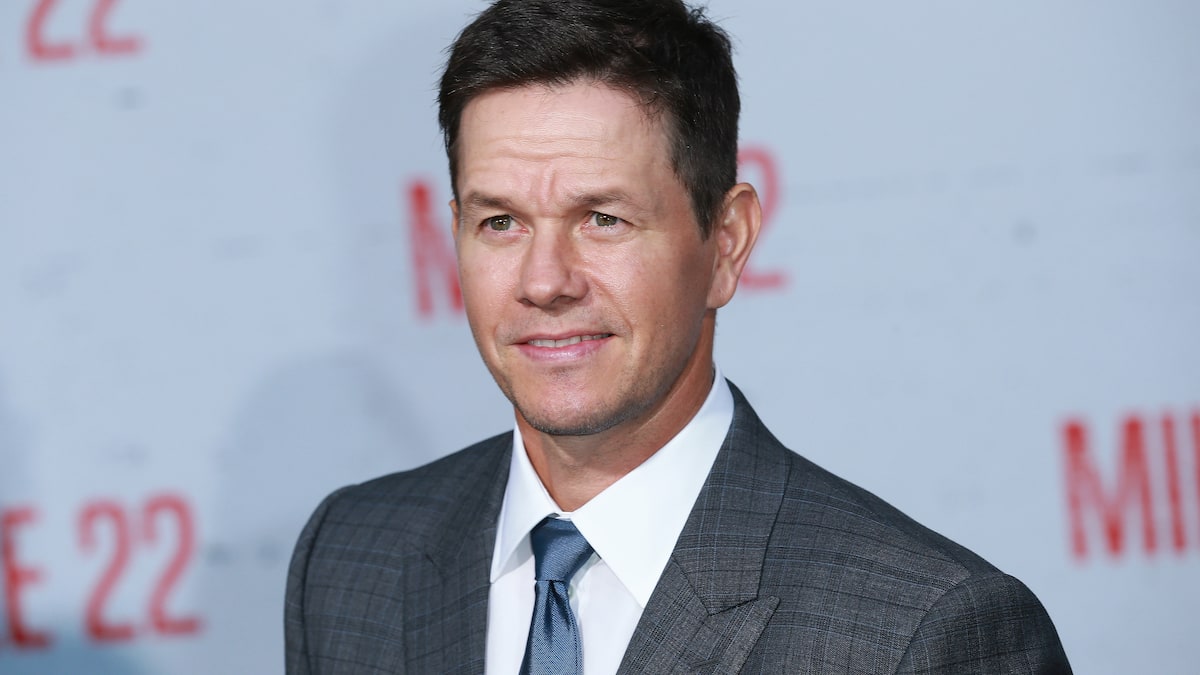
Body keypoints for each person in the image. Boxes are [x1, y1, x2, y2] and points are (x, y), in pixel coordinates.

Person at [285, 0, 1073, 672]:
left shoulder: (923, 632)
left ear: (726, 243)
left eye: (603, 218)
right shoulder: (350, 560)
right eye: (501, 222)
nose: (544, 280)